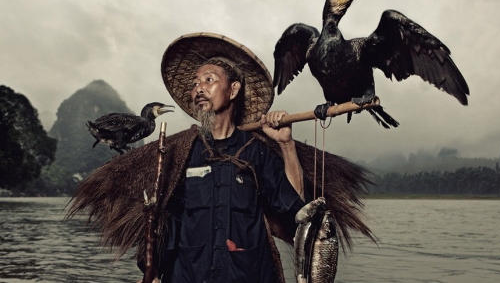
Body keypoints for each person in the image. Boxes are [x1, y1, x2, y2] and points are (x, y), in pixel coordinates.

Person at [68, 32, 374, 283]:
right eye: (195, 84)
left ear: (233, 90)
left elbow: (297, 210)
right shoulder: (180, 153)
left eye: (209, 80)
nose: (198, 88)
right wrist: (154, 273)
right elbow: (163, 225)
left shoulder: (255, 152)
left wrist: (286, 145)